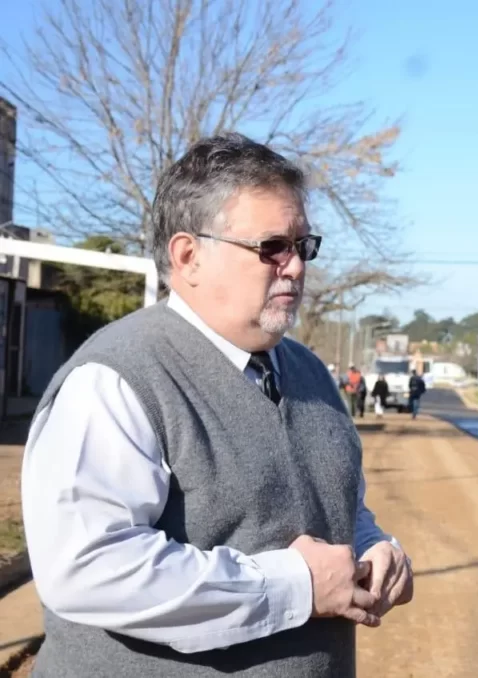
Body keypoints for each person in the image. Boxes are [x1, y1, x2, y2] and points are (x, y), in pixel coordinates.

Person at [21, 133, 412, 678]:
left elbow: (339, 506)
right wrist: (295, 586)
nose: (296, 267)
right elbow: (88, 568)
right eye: (272, 247)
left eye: (303, 245)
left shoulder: (309, 374)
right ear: (189, 257)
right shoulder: (115, 379)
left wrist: (374, 548)